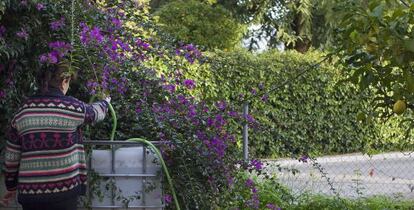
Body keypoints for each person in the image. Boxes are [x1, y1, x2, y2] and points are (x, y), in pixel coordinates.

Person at [1, 60, 110, 210]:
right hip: (65, 192)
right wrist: (105, 101)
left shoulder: (22, 111)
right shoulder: (71, 107)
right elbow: (96, 113)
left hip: (30, 194)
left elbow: (11, 158)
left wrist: (11, 187)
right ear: (65, 80)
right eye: (69, 81)